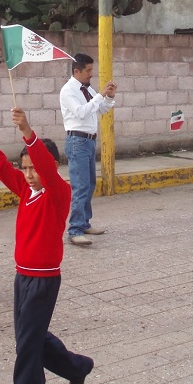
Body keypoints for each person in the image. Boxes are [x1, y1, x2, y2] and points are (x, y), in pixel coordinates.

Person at [0, 104, 95, 384]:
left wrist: (27, 132)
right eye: (24, 169)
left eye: (33, 168)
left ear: (51, 166)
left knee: (26, 348)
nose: (29, 174)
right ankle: (78, 367)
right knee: (31, 340)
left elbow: (45, 169)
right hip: (22, 277)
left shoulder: (58, 193)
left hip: (44, 280)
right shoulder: (25, 191)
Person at [59, 53, 117, 246]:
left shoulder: (87, 89)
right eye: (88, 70)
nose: (91, 74)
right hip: (77, 140)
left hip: (89, 141)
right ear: (77, 71)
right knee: (80, 186)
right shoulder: (68, 91)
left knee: (89, 184)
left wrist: (108, 97)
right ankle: (75, 229)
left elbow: (100, 109)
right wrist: (100, 95)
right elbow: (81, 113)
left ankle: (84, 223)